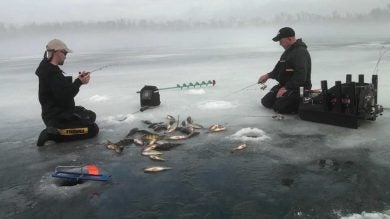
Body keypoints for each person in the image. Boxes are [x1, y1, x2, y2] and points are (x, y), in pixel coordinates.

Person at [35, 39, 99, 146]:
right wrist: (79, 82)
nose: (66, 56)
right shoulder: (51, 73)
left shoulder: (48, 68)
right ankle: (52, 133)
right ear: (57, 52)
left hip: (59, 112)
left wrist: (78, 80)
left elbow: (60, 89)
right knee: (93, 129)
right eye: (65, 53)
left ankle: (57, 130)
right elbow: (65, 97)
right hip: (57, 118)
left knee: (90, 116)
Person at [258, 27, 311, 114]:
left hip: (299, 88)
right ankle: (286, 97)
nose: (279, 44)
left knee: (280, 107)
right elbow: (278, 69)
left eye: (280, 41)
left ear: (289, 39)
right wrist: (267, 76)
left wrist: (286, 88)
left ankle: (302, 100)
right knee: (266, 102)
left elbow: (301, 75)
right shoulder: (287, 53)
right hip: (286, 86)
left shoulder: (300, 52)